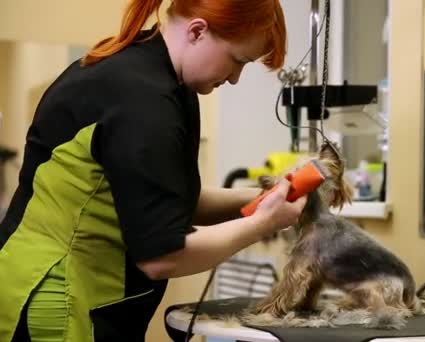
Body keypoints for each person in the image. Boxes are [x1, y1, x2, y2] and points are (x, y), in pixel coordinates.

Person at [0, 0, 307, 341]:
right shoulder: (142, 100)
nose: (235, 78)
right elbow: (162, 256)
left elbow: (168, 201)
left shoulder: (166, 84)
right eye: (238, 61)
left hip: (95, 296)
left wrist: (264, 198)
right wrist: (264, 222)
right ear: (197, 31)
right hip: (60, 301)